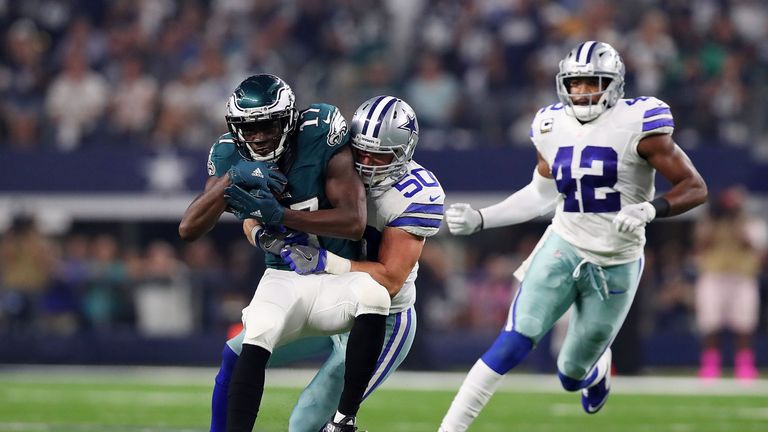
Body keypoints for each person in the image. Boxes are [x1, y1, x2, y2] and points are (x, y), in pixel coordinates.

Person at [439, 41, 708, 431]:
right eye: (575, 83)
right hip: (562, 245)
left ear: (614, 84)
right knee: (512, 343)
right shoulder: (550, 124)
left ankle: (595, 368)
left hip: (617, 261)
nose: (582, 92)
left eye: (592, 83)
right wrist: (483, 219)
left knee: (570, 371)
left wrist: (651, 209)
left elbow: (695, 186)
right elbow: (541, 195)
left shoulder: (641, 123)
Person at [209, 95, 444, 432]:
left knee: (307, 421)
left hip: (383, 318)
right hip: (324, 293)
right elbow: (254, 215)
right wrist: (262, 235)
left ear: (403, 152)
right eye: (359, 150)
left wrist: (324, 260)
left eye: (377, 155)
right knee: (236, 354)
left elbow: (391, 280)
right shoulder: (331, 161)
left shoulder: (413, 194)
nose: (365, 162)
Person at [179, 74, 391, 432]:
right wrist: (232, 179)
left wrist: (282, 216)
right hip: (285, 277)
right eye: (250, 128)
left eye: (268, 125)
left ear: (290, 120)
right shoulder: (229, 154)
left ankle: (344, 422)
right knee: (253, 334)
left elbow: (354, 221)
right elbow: (189, 228)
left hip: (340, 274)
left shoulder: (319, 132)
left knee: (375, 295)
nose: (258, 137)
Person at [694, 186, 767, 380]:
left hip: (742, 277)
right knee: (710, 323)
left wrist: (738, 225)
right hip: (714, 275)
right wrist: (716, 221)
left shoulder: (751, 223)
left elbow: (754, 247)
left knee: (744, 324)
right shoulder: (710, 221)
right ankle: (710, 365)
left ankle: (745, 366)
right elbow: (701, 244)